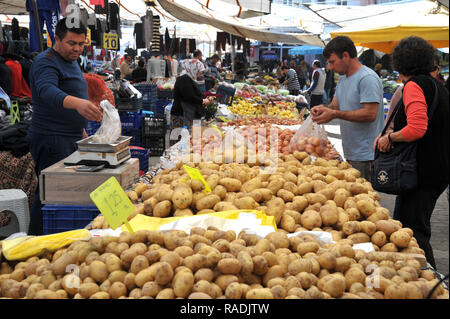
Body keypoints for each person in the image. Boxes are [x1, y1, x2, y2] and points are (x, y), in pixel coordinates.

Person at [373, 37, 449, 269]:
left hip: (423, 172)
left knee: (413, 234)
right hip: (436, 169)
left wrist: (389, 138)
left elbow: (417, 128)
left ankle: (430, 283)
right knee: (412, 227)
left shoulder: (415, 85)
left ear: (401, 62)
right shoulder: (437, 85)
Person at [27, 18, 103, 235]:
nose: (77, 48)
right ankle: (36, 241)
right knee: (50, 195)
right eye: (72, 43)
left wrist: (80, 129)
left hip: (70, 136)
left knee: (61, 193)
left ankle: (52, 237)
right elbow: (47, 91)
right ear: (56, 39)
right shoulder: (46, 61)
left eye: (81, 43)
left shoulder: (71, 61)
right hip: (51, 138)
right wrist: (78, 104)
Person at [311, 36, 384, 180]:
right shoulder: (343, 79)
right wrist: (324, 108)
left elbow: (370, 114)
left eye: (332, 62)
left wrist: (334, 113)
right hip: (350, 151)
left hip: (365, 155)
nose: (331, 67)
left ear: (345, 56)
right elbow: (335, 106)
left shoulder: (367, 78)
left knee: (362, 198)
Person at [171, 60, 206, 130]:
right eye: (198, 71)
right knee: (179, 138)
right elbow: (189, 97)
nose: (198, 74)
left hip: (184, 114)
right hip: (181, 115)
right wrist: (202, 101)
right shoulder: (184, 79)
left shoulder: (188, 78)